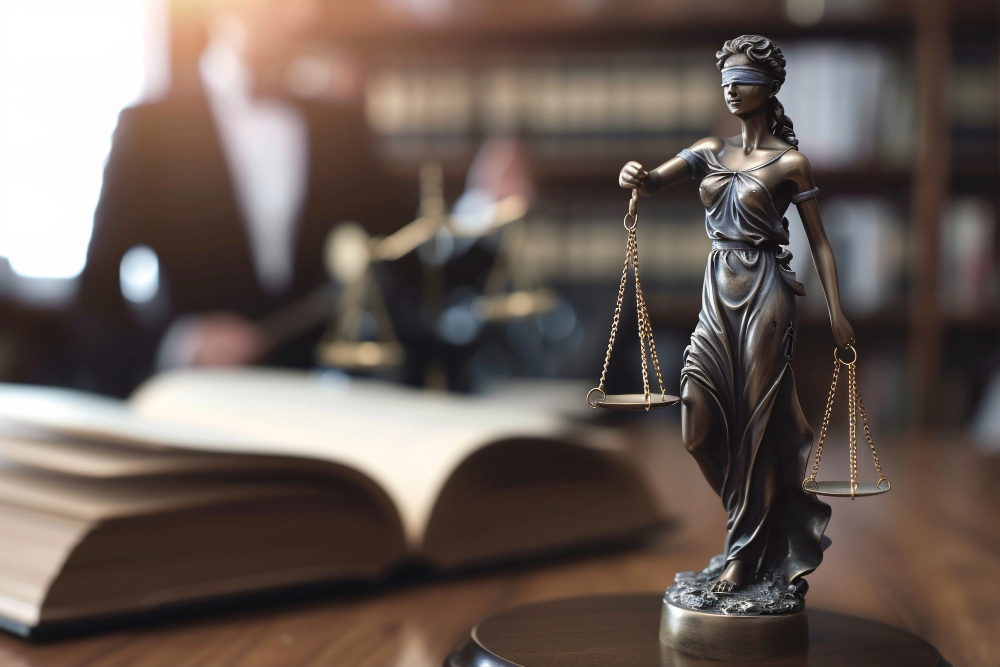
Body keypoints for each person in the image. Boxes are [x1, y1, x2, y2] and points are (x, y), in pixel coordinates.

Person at [74, 0, 416, 396]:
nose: (295, 15)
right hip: (202, 400)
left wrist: (481, 205)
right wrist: (182, 344)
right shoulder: (151, 128)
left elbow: (407, 250)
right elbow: (97, 296)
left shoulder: (339, 125)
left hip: (322, 398)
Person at [619, 35, 854, 594]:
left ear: (769, 86)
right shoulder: (707, 150)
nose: (730, 88)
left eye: (741, 78)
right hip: (716, 290)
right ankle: (756, 523)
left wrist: (837, 313)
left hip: (766, 291)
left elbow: (819, 243)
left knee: (755, 421)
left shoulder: (790, 163)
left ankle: (743, 556)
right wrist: (636, 177)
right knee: (697, 424)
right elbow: (652, 182)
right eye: (725, 78)